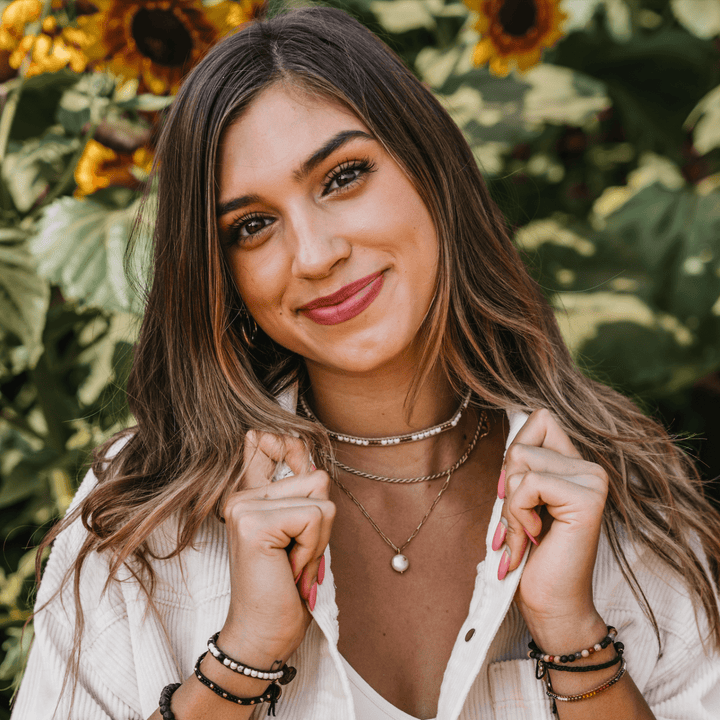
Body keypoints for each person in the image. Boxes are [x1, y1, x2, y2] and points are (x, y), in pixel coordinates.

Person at [11, 6, 720, 720]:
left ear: (431, 169)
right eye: (252, 226)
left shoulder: (621, 495)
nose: (316, 255)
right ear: (220, 273)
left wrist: (575, 639)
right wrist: (245, 654)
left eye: (343, 177)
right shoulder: (143, 522)